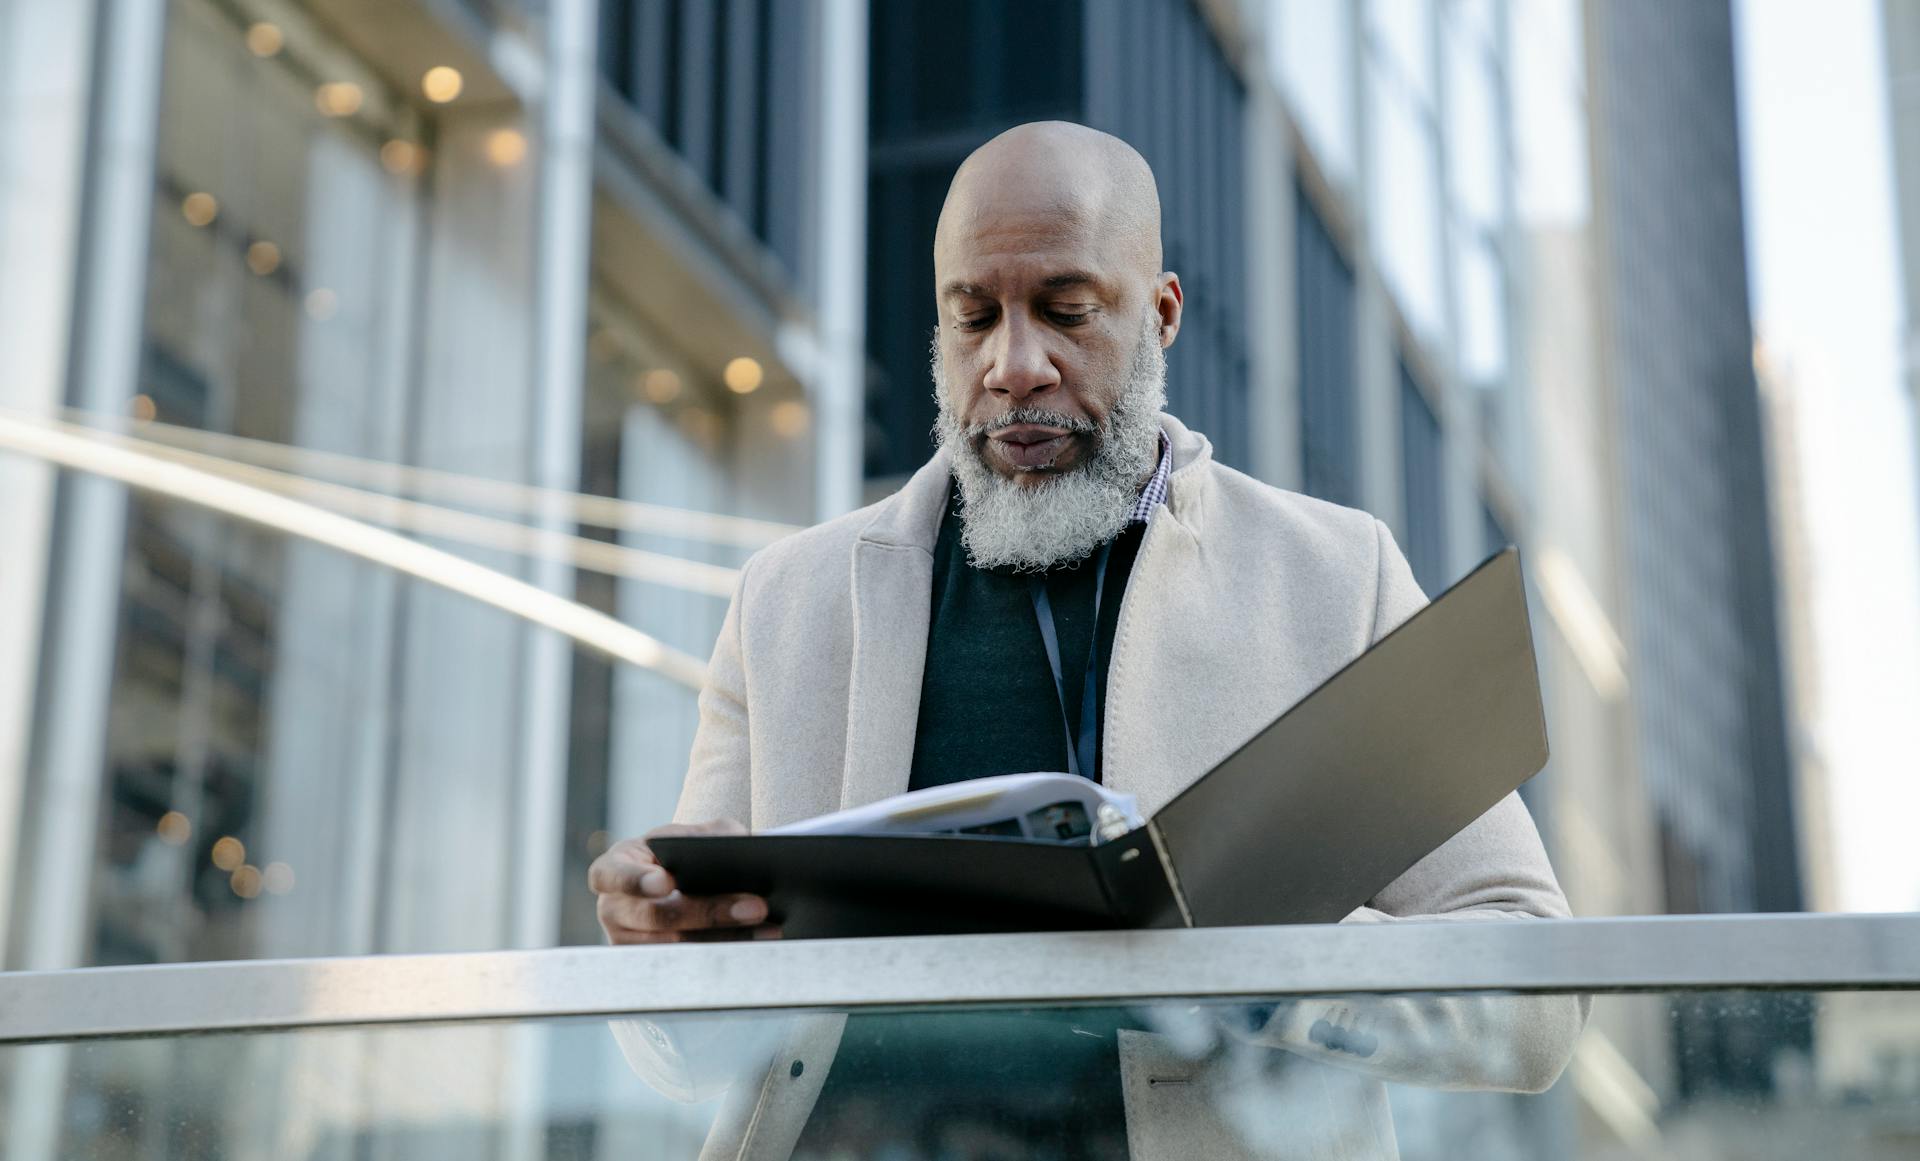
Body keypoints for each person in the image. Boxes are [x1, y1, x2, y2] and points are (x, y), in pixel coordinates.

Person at [590, 120, 1585, 1160]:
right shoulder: (786, 601)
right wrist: (656, 958)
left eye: (1066, 311)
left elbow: (1534, 1002)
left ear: (1160, 316)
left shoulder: (1337, 579)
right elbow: (682, 1048)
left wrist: (1241, 952)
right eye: (973, 319)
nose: (1015, 366)